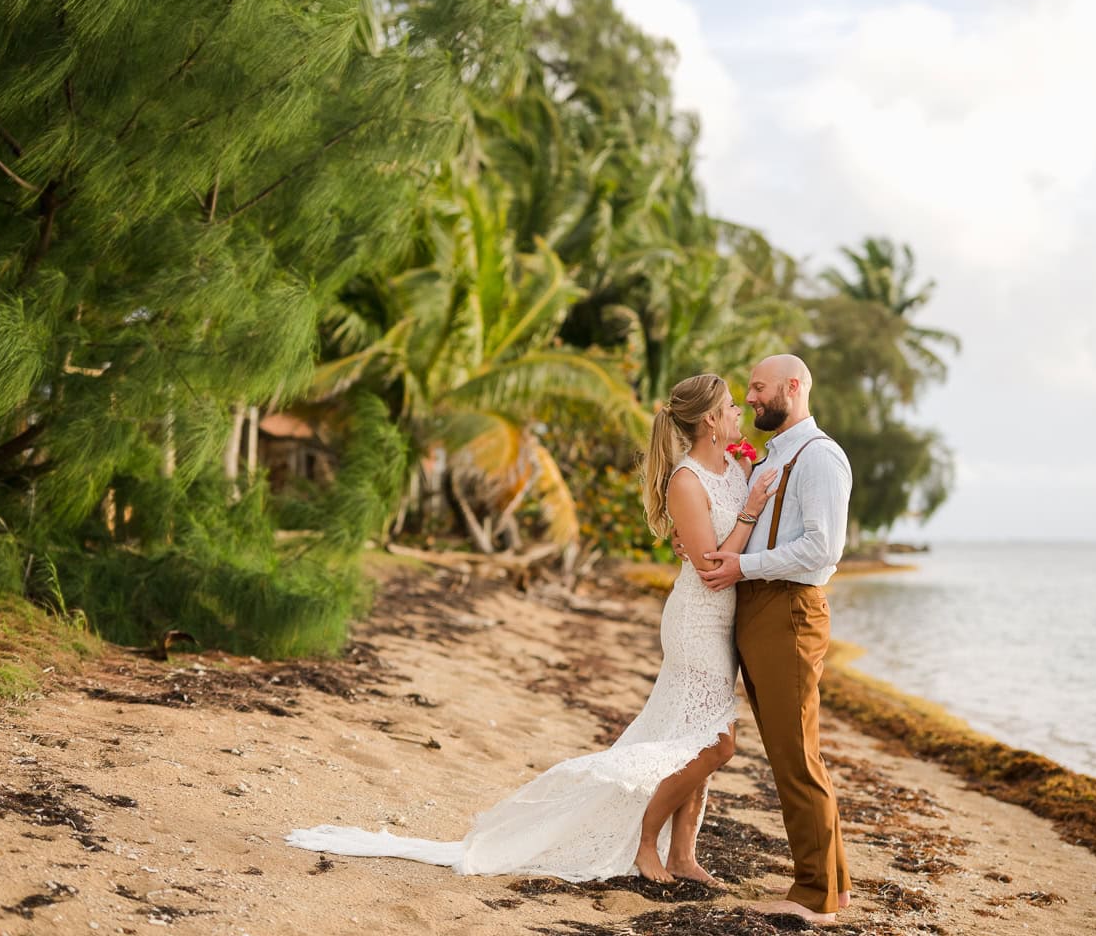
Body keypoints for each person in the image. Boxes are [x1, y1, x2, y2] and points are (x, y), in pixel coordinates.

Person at [285, 373, 780, 885]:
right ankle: (644, 841)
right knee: (715, 746)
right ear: (709, 420)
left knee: (691, 741)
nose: (739, 411)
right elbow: (709, 565)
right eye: (729, 406)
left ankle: (683, 855)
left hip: (725, 623)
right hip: (697, 619)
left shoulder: (736, 466)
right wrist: (747, 511)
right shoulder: (686, 479)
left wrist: (746, 505)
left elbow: (733, 537)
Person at [690, 353, 854, 925]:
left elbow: (822, 550)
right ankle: (834, 886)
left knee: (795, 756)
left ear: (793, 386)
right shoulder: (774, 455)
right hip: (761, 610)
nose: (751, 397)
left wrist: (744, 567)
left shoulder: (820, 458)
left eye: (758, 388)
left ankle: (814, 896)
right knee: (792, 754)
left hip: (788, 611)